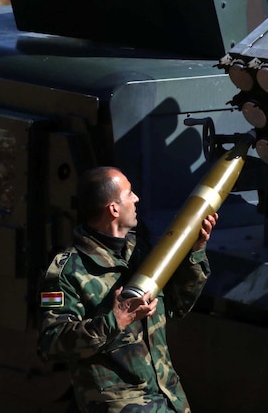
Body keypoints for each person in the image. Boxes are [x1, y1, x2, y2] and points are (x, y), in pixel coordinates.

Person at [38, 166, 216, 413]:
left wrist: (195, 252)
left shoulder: (141, 251)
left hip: (168, 398)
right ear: (113, 208)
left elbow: (177, 305)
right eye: (130, 193)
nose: (136, 199)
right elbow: (51, 343)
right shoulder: (65, 272)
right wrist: (115, 320)